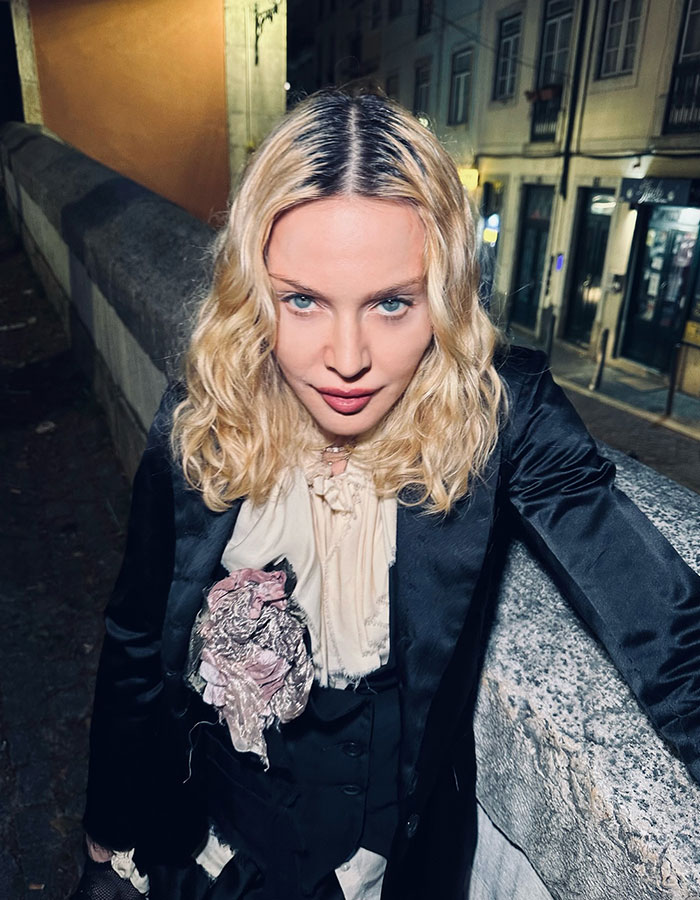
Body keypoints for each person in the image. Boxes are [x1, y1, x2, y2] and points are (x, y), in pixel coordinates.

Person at [72, 88, 700, 900]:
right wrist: (106, 834)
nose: (346, 357)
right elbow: (133, 633)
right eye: (301, 300)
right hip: (203, 853)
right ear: (254, 292)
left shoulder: (501, 412)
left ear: (443, 293)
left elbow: (666, 624)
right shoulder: (207, 408)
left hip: (382, 874)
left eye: (392, 304)